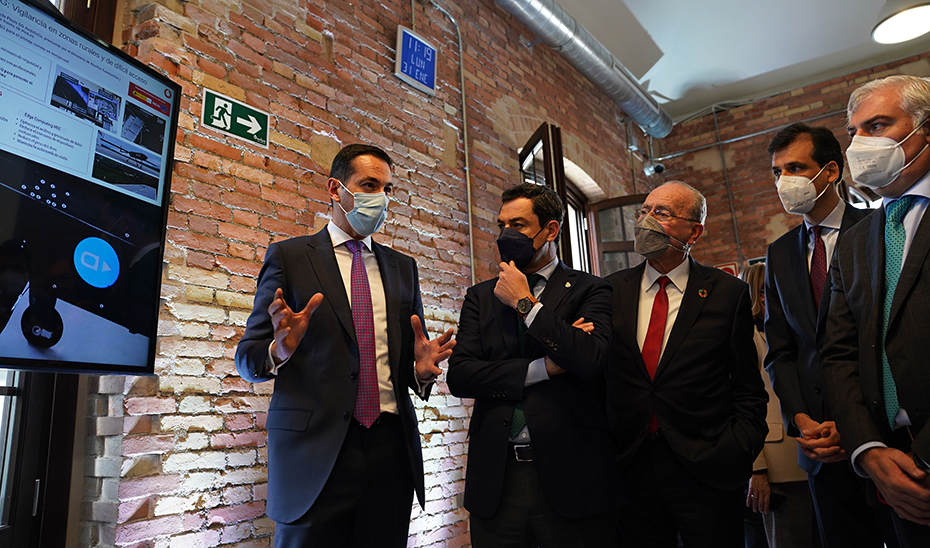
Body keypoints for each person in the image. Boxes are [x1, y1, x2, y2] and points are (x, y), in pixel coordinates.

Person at [234, 144, 456, 548]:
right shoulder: (290, 257)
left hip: (390, 451)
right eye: (370, 185)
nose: (381, 198)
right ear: (336, 189)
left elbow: (403, 360)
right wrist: (277, 351)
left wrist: (419, 373)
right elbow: (248, 358)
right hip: (315, 454)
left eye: (388, 190)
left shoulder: (403, 267)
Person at [446, 183, 617, 547]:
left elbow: (588, 359)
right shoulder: (481, 296)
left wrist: (526, 304)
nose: (506, 234)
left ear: (551, 230)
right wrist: (545, 367)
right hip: (497, 477)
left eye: (519, 225)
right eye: (501, 224)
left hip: (570, 476)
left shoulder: (591, 289)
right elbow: (461, 375)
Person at [606, 181, 768, 548]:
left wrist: (738, 450)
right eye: (643, 211)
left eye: (661, 213)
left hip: (706, 469)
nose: (646, 221)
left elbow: (747, 386)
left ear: (694, 231)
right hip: (630, 468)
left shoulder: (727, 293)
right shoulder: (611, 290)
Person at [821, 74, 930, 547]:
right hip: (889, 465)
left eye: (878, 125)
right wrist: (868, 451)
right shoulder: (856, 240)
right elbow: (839, 353)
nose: (861, 143)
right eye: (854, 132)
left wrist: (924, 460)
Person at [762, 123, 880, 547]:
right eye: (777, 172)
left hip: (882, 431)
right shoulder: (778, 253)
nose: (784, 182)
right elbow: (781, 350)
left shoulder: (879, 228)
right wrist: (801, 420)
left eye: (795, 167)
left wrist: (852, 423)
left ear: (830, 170)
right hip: (817, 447)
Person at [740, 263, 817, 548]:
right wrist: (756, 469)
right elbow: (743, 407)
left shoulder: (795, 332)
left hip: (813, 455)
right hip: (777, 466)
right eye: (765, 293)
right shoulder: (746, 339)